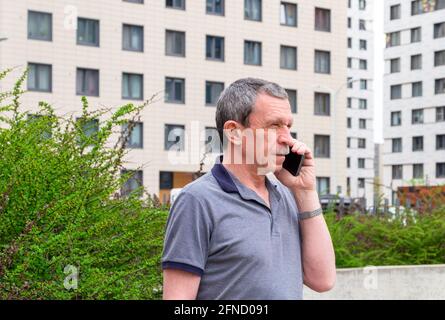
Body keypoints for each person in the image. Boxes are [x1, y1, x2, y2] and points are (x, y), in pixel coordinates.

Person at [162, 78, 336, 300]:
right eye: (274, 126)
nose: (288, 139)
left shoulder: (288, 195)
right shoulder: (197, 201)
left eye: (288, 126)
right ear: (234, 132)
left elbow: (323, 280)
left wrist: (306, 191)